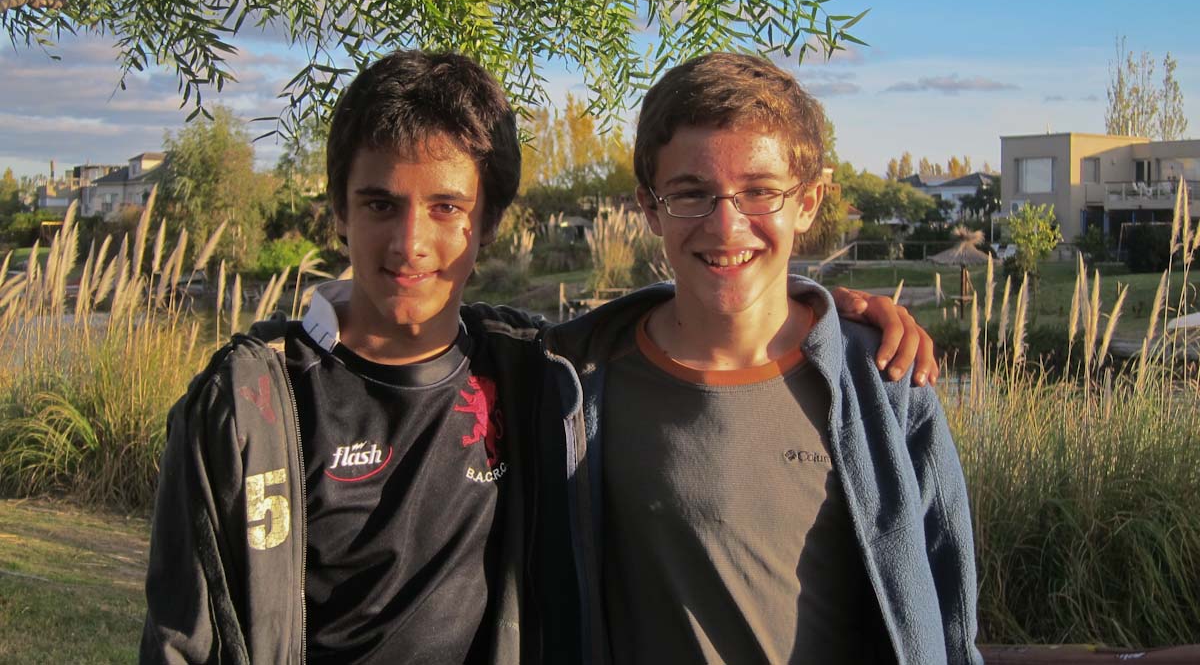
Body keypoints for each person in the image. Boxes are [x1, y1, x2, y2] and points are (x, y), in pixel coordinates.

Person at [140, 50, 939, 663]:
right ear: (340, 212)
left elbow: (715, 289)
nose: (411, 242)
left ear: (487, 223)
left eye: (447, 207)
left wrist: (826, 312)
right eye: (380, 204)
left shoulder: (533, 369)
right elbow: (184, 635)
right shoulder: (256, 406)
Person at [543, 52, 982, 664]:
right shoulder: (574, 381)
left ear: (809, 201)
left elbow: (948, 612)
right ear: (649, 207)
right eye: (691, 193)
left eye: (759, 192)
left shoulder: (884, 380)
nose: (726, 227)